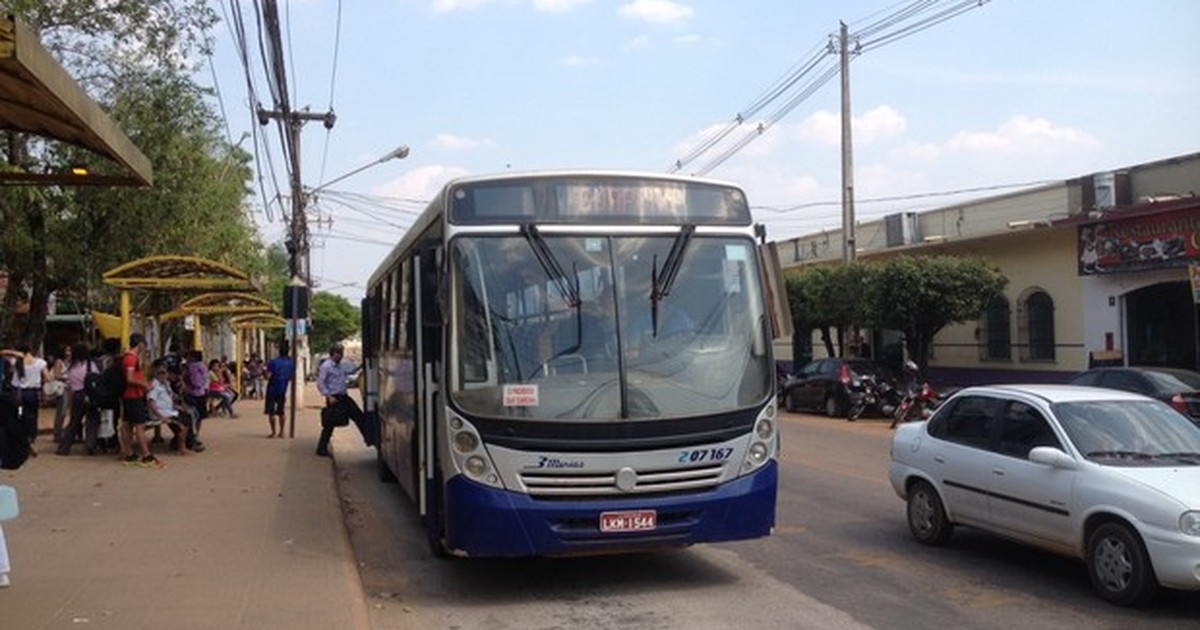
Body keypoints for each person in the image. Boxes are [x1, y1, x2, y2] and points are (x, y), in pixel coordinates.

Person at [315, 343, 371, 457]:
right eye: (338, 353)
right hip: (334, 398)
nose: (340, 356)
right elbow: (320, 383)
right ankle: (321, 448)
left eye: (341, 353)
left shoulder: (339, 365)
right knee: (329, 424)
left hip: (343, 397)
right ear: (332, 354)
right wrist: (328, 396)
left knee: (358, 416)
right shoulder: (326, 366)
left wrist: (361, 366)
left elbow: (349, 372)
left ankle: (369, 436)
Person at [119, 333, 162, 468]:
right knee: (139, 426)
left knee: (128, 425)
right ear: (140, 344)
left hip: (130, 396)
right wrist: (144, 385)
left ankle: (130, 454)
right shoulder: (131, 359)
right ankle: (146, 455)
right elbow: (130, 378)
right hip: (133, 395)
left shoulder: (130, 358)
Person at [2, 346, 51, 456]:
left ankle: (20, 441)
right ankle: (31, 439)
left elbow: (3, 352)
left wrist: (17, 354)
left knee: (19, 416)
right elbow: (48, 378)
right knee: (32, 417)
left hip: (17, 394)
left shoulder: (15, 361)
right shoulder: (40, 363)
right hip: (32, 394)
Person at [56, 342, 102, 456]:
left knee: (74, 422)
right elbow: (97, 378)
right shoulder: (91, 365)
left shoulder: (71, 368)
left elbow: (71, 385)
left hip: (77, 395)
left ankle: (64, 447)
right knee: (92, 421)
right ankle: (90, 445)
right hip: (90, 395)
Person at [146, 362, 193, 456]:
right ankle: (182, 448)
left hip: (169, 410)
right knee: (183, 423)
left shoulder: (165, 384)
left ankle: (180, 443)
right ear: (156, 374)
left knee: (187, 417)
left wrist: (177, 405)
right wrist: (161, 416)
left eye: (165, 373)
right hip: (161, 413)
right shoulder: (155, 386)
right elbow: (151, 402)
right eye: (161, 373)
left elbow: (170, 398)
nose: (164, 375)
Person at [263, 344, 294, 438]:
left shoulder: (273, 362)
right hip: (283, 389)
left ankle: (273, 432)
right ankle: (282, 432)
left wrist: (264, 372)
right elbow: (291, 376)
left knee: (271, 411)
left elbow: (268, 376)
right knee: (281, 411)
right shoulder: (291, 363)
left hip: (272, 389)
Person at [49, 345, 71, 444]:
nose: (69, 352)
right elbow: (57, 375)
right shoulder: (59, 362)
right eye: (67, 350)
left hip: (67, 388)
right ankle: (57, 433)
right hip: (62, 389)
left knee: (64, 411)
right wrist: (67, 378)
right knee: (61, 411)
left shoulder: (68, 362)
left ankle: (60, 431)